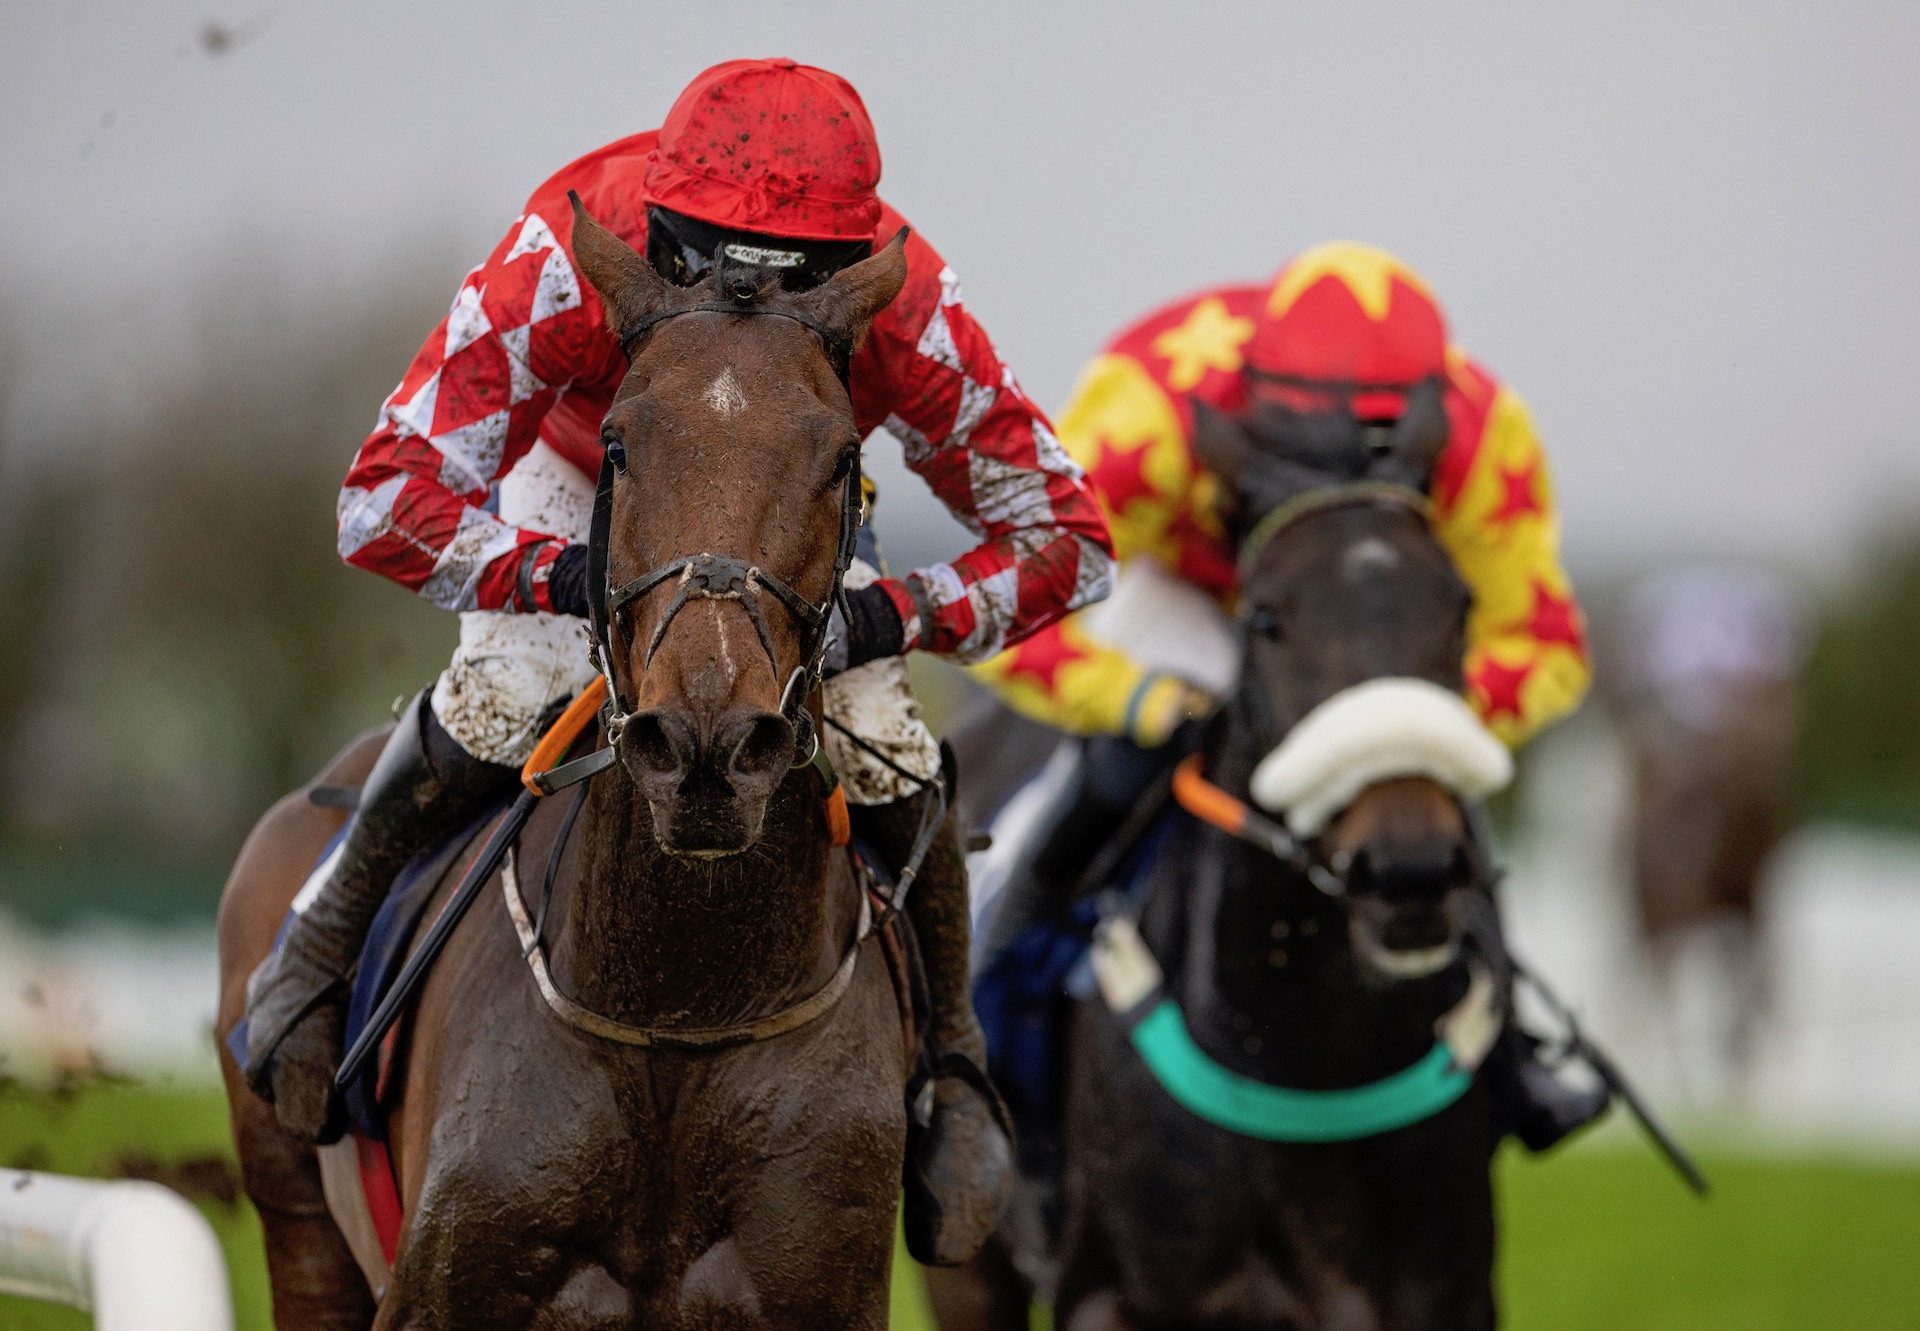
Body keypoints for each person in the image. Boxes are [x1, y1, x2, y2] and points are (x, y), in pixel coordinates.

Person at [239, 58, 1115, 1261]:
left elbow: (1068, 540)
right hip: (592, 487)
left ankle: (948, 1061)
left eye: (794, 278)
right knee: (505, 690)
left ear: (852, 263)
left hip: (779, 520)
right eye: (706, 259)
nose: (746, 293)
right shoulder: (561, 250)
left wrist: (884, 616)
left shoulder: (908, 301)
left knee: (887, 742)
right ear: (652, 224)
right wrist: (558, 579)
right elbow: (381, 503)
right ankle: (324, 938)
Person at [972, 241, 1604, 1146]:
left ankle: (1509, 1055)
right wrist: (1139, 700)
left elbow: (1546, 648)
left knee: (1424, 786)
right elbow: (1008, 608)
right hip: (1189, 596)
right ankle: (984, 1022)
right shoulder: (1146, 415)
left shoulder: (1484, 434)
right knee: (1115, 766)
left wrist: (1412, 724)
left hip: (1363, 617)